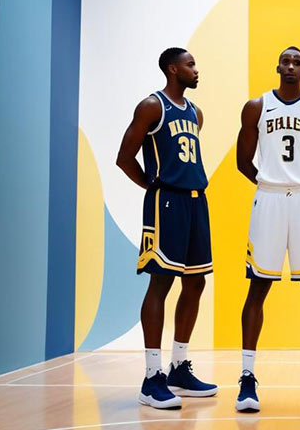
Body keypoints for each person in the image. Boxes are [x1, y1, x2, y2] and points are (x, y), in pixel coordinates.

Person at [234, 47, 300, 413]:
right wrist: (272, 182)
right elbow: (243, 161)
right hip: (269, 198)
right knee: (258, 287)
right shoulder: (256, 106)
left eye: (298, 62)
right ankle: (247, 377)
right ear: (277, 66)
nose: (291, 66)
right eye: (286, 61)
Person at [116, 47, 218, 409]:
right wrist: (154, 186)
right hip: (167, 202)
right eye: (190, 64)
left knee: (196, 281)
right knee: (161, 282)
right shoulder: (152, 106)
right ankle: (151, 377)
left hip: (196, 201)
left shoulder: (195, 112)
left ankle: (178, 368)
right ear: (173, 69)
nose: (196, 69)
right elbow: (124, 158)